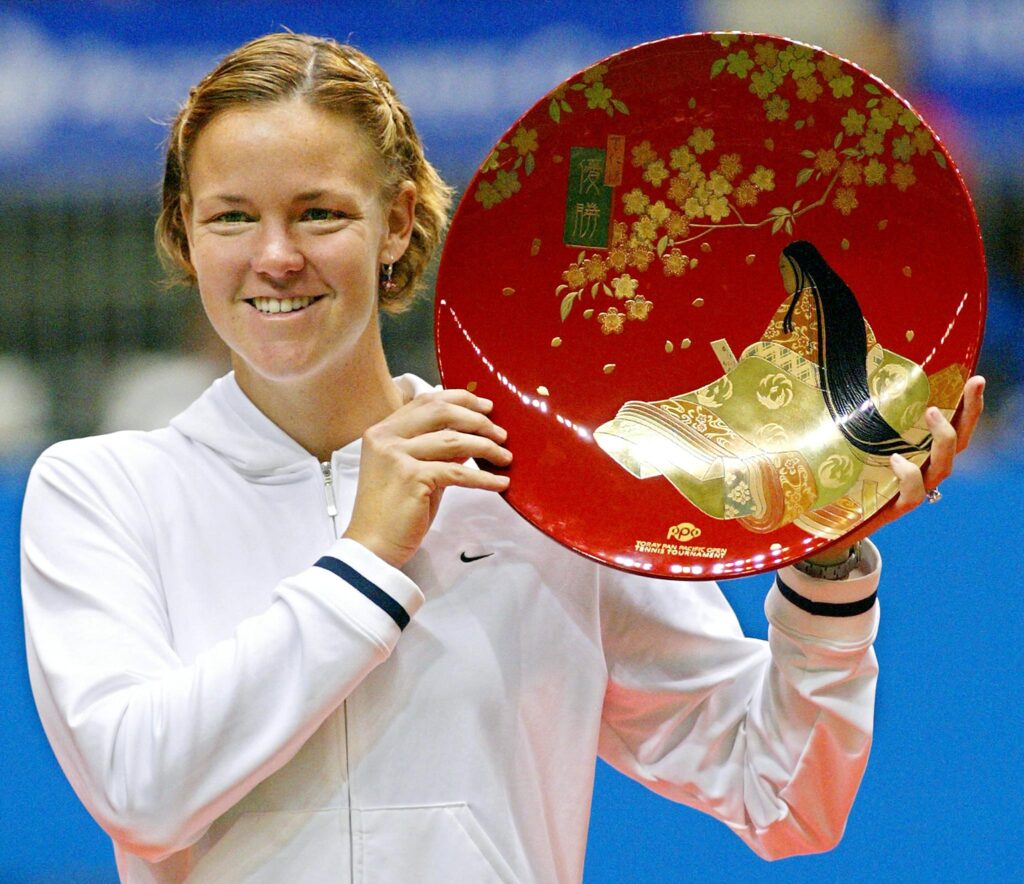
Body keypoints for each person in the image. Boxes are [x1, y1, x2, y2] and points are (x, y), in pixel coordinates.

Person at [20, 32, 985, 883]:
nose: (275, 255)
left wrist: (825, 572)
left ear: (398, 223)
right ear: (184, 231)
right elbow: (139, 790)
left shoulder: (528, 482)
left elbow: (781, 797)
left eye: (319, 213)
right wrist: (364, 558)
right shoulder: (102, 491)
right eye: (232, 216)